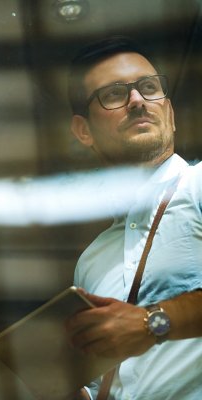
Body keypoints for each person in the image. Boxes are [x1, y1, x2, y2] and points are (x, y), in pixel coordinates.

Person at [65, 36, 202, 399]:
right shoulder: (91, 263)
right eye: (114, 94)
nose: (138, 100)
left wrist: (151, 322)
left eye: (148, 88)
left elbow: (143, 328)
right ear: (83, 131)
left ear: (169, 114)